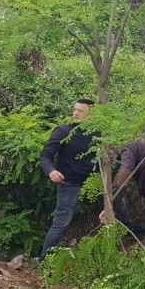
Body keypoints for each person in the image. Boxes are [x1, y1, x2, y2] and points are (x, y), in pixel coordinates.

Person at [38, 99, 98, 259]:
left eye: (81, 111)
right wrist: (51, 171)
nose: (76, 113)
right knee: (62, 221)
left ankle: (130, 229)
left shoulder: (99, 133)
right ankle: (44, 261)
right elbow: (45, 156)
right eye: (75, 110)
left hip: (93, 181)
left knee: (116, 199)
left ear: (91, 114)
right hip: (69, 182)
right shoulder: (64, 131)